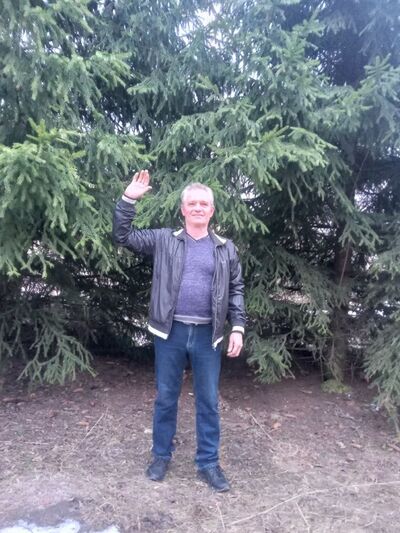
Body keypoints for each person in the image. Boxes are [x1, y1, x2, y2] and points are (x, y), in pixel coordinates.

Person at [113, 169, 245, 492]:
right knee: (166, 397)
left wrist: (238, 327)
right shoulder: (164, 240)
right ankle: (161, 456)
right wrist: (128, 199)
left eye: (204, 204)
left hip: (208, 336)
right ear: (183, 210)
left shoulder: (225, 248)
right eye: (192, 203)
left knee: (209, 401)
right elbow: (123, 236)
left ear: (211, 211)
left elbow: (236, 289)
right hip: (169, 334)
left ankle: (208, 463)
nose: (198, 208)